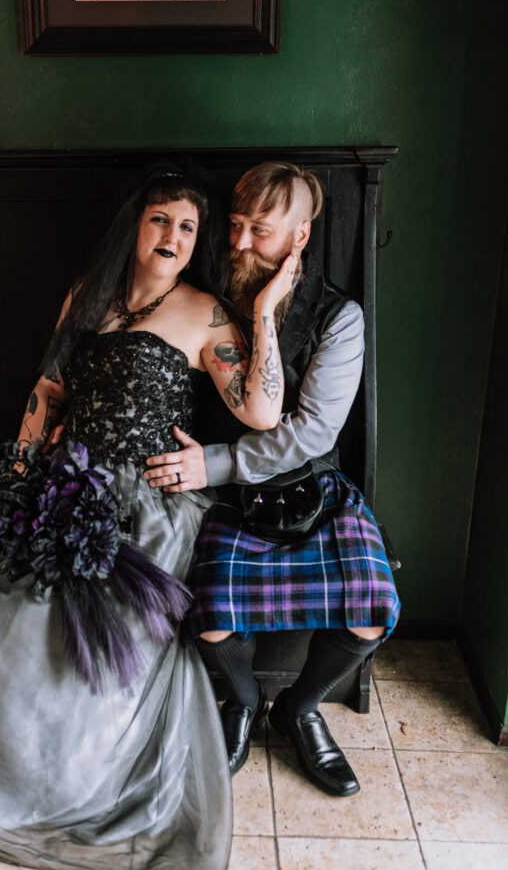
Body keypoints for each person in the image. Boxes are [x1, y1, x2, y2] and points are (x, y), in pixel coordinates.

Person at [0, 166, 293, 870]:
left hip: (143, 501)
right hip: (56, 479)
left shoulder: (205, 314)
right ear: (134, 227)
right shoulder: (88, 296)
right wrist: (18, 469)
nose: (171, 235)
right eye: (159, 220)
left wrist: (262, 312)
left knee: (70, 620)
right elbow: (46, 391)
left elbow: (262, 414)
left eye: (186, 226)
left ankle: (54, 778)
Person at [144, 161, 400, 797]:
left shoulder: (340, 318)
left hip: (314, 490)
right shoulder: (203, 297)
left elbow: (314, 432)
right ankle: (243, 700)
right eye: (233, 225)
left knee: (373, 608)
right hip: (227, 500)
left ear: (300, 236)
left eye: (260, 230)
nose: (237, 243)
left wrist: (219, 459)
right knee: (206, 614)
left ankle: (300, 709)